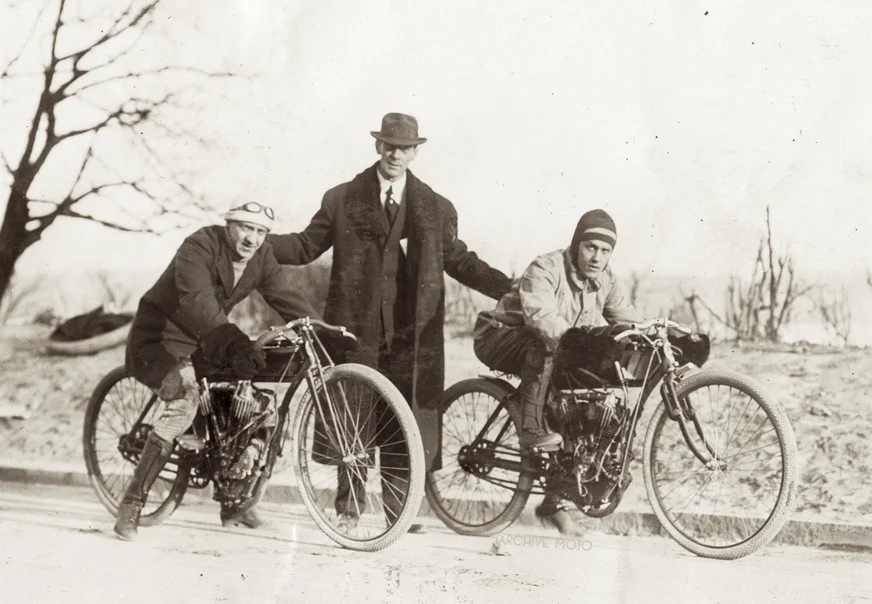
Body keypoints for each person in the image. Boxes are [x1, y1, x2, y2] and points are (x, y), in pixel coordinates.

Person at [268, 113, 512, 534]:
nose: (396, 154)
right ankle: (348, 508)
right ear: (377, 147)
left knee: (404, 415)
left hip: (411, 335)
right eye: (389, 145)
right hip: (355, 328)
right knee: (353, 412)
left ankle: (400, 511)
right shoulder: (343, 198)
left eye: (405, 147)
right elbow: (305, 246)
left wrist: (509, 289)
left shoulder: (435, 207)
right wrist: (252, 241)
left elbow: (459, 260)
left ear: (416, 152)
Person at [114, 202, 321, 541]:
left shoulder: (261, 255)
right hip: (159, 339)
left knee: (252, 402)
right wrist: (230, 337)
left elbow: (283, 295)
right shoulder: (200, 245)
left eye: (260, 232)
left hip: (205, 339)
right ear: (229, 225)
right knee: (185, 400)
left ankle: (234, 502)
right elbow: (195, 298)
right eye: (245, 228)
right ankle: (132, 504)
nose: (252, 239)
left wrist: (319, 328)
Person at [472, 208, 641, 536]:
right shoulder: (546, 267)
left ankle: (554, 501)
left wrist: (656, 333)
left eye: (605, 251)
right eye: (591, 247)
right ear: (577, 244)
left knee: (577, 403)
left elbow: (626, 317)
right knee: (545, 344)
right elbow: (543, 317)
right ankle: (531, 429)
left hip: (556, 345)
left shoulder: (605, 279)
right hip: (500, 337)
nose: (596, 257)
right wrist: (579, 342)